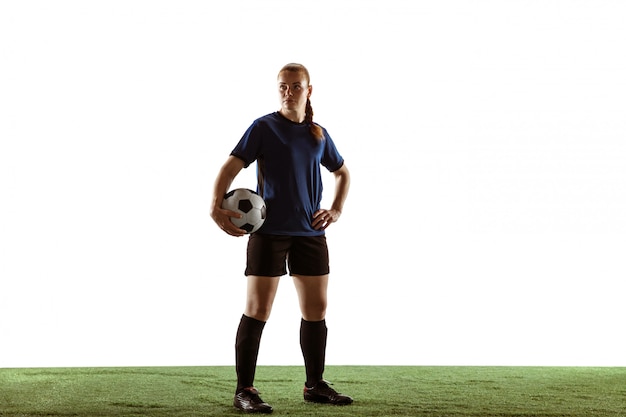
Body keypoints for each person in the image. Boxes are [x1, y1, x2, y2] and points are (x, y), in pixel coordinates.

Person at [210, 63, 352, 414]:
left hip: (310, 233)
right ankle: (244, 390)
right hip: (269, 233)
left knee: (316, 311)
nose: (289, 92)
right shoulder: (263, 127)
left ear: (309, 90)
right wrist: (215, 205)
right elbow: (230, 167)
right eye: (283, 87)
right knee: (257, 310)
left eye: (296, 86)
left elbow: (343, 172)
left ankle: (315, 384)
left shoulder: (318, 133)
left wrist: (335, 210)